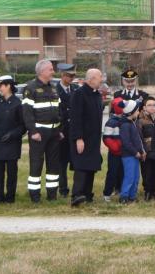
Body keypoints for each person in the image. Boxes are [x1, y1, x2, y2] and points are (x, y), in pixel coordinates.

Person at [22, 59, 62, 203]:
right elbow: (27, 113)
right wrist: (33, 131)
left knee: (53, 164)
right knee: (36, 164)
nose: (53, 72)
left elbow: (59, 110)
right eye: (51, 69)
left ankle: (52, 195)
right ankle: (35, 197)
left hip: (53, 133)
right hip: (39, 133)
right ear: (42, 71)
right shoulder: (30, 88)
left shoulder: (53, 88)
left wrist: (60, 129)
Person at [69, 68, 105, 206]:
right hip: (82, 138)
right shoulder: (79, 94)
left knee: (91, 166)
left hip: (93, 139)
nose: (101, 79)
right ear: (91, 79)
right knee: (81, 166)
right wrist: (78, 138)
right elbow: (76, 118)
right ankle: (76, 195)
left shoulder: (96, 94)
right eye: (99, 77)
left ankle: (87, 194)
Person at [0, 75, 26, 204]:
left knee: (11, 173)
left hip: (12, 144)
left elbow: (23, 126)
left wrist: (12, 134)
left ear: (8, 86)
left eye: (1, 86)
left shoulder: (17, 103)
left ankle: (10, 197)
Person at [56, 63, 79, 198]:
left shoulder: (76, 89)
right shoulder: (55, 89)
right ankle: (63, 189)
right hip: (61, 131)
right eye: (69, 76)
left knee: (76, 161)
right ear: (62, 75)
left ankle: (77, 189)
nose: (71, 78)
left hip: (74, 131)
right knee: (61, 163)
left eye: (73, 76)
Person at [137, 97, 155, 201]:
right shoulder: (140, 120)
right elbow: (139, 137)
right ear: (144, 107)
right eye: (149, 105)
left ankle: (154, 191)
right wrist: (143, 150)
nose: (152, 107)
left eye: (154, 105)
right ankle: (147, 191)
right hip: (146, 152)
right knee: (147, 173)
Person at [118, 99, 144, 204]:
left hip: (135, 155)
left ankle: (132, 196)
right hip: (129, 156)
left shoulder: (132, 123)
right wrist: (135, 152)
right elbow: (126, 142)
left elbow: (137, 139)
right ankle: (124, 196)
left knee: (136, 176)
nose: (138, 112)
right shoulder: (125, 125)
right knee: (129, 176)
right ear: (131, 112)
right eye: (137, 110)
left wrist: (141, 151)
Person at [102, 97, 125, 202]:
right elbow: (106, 138)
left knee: (122, 172)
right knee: (112, 172)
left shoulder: (126, 120)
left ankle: (119, 189)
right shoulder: (111, 122)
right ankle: (107, 193)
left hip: (124, 153)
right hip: (114, 153)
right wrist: (115, 147)